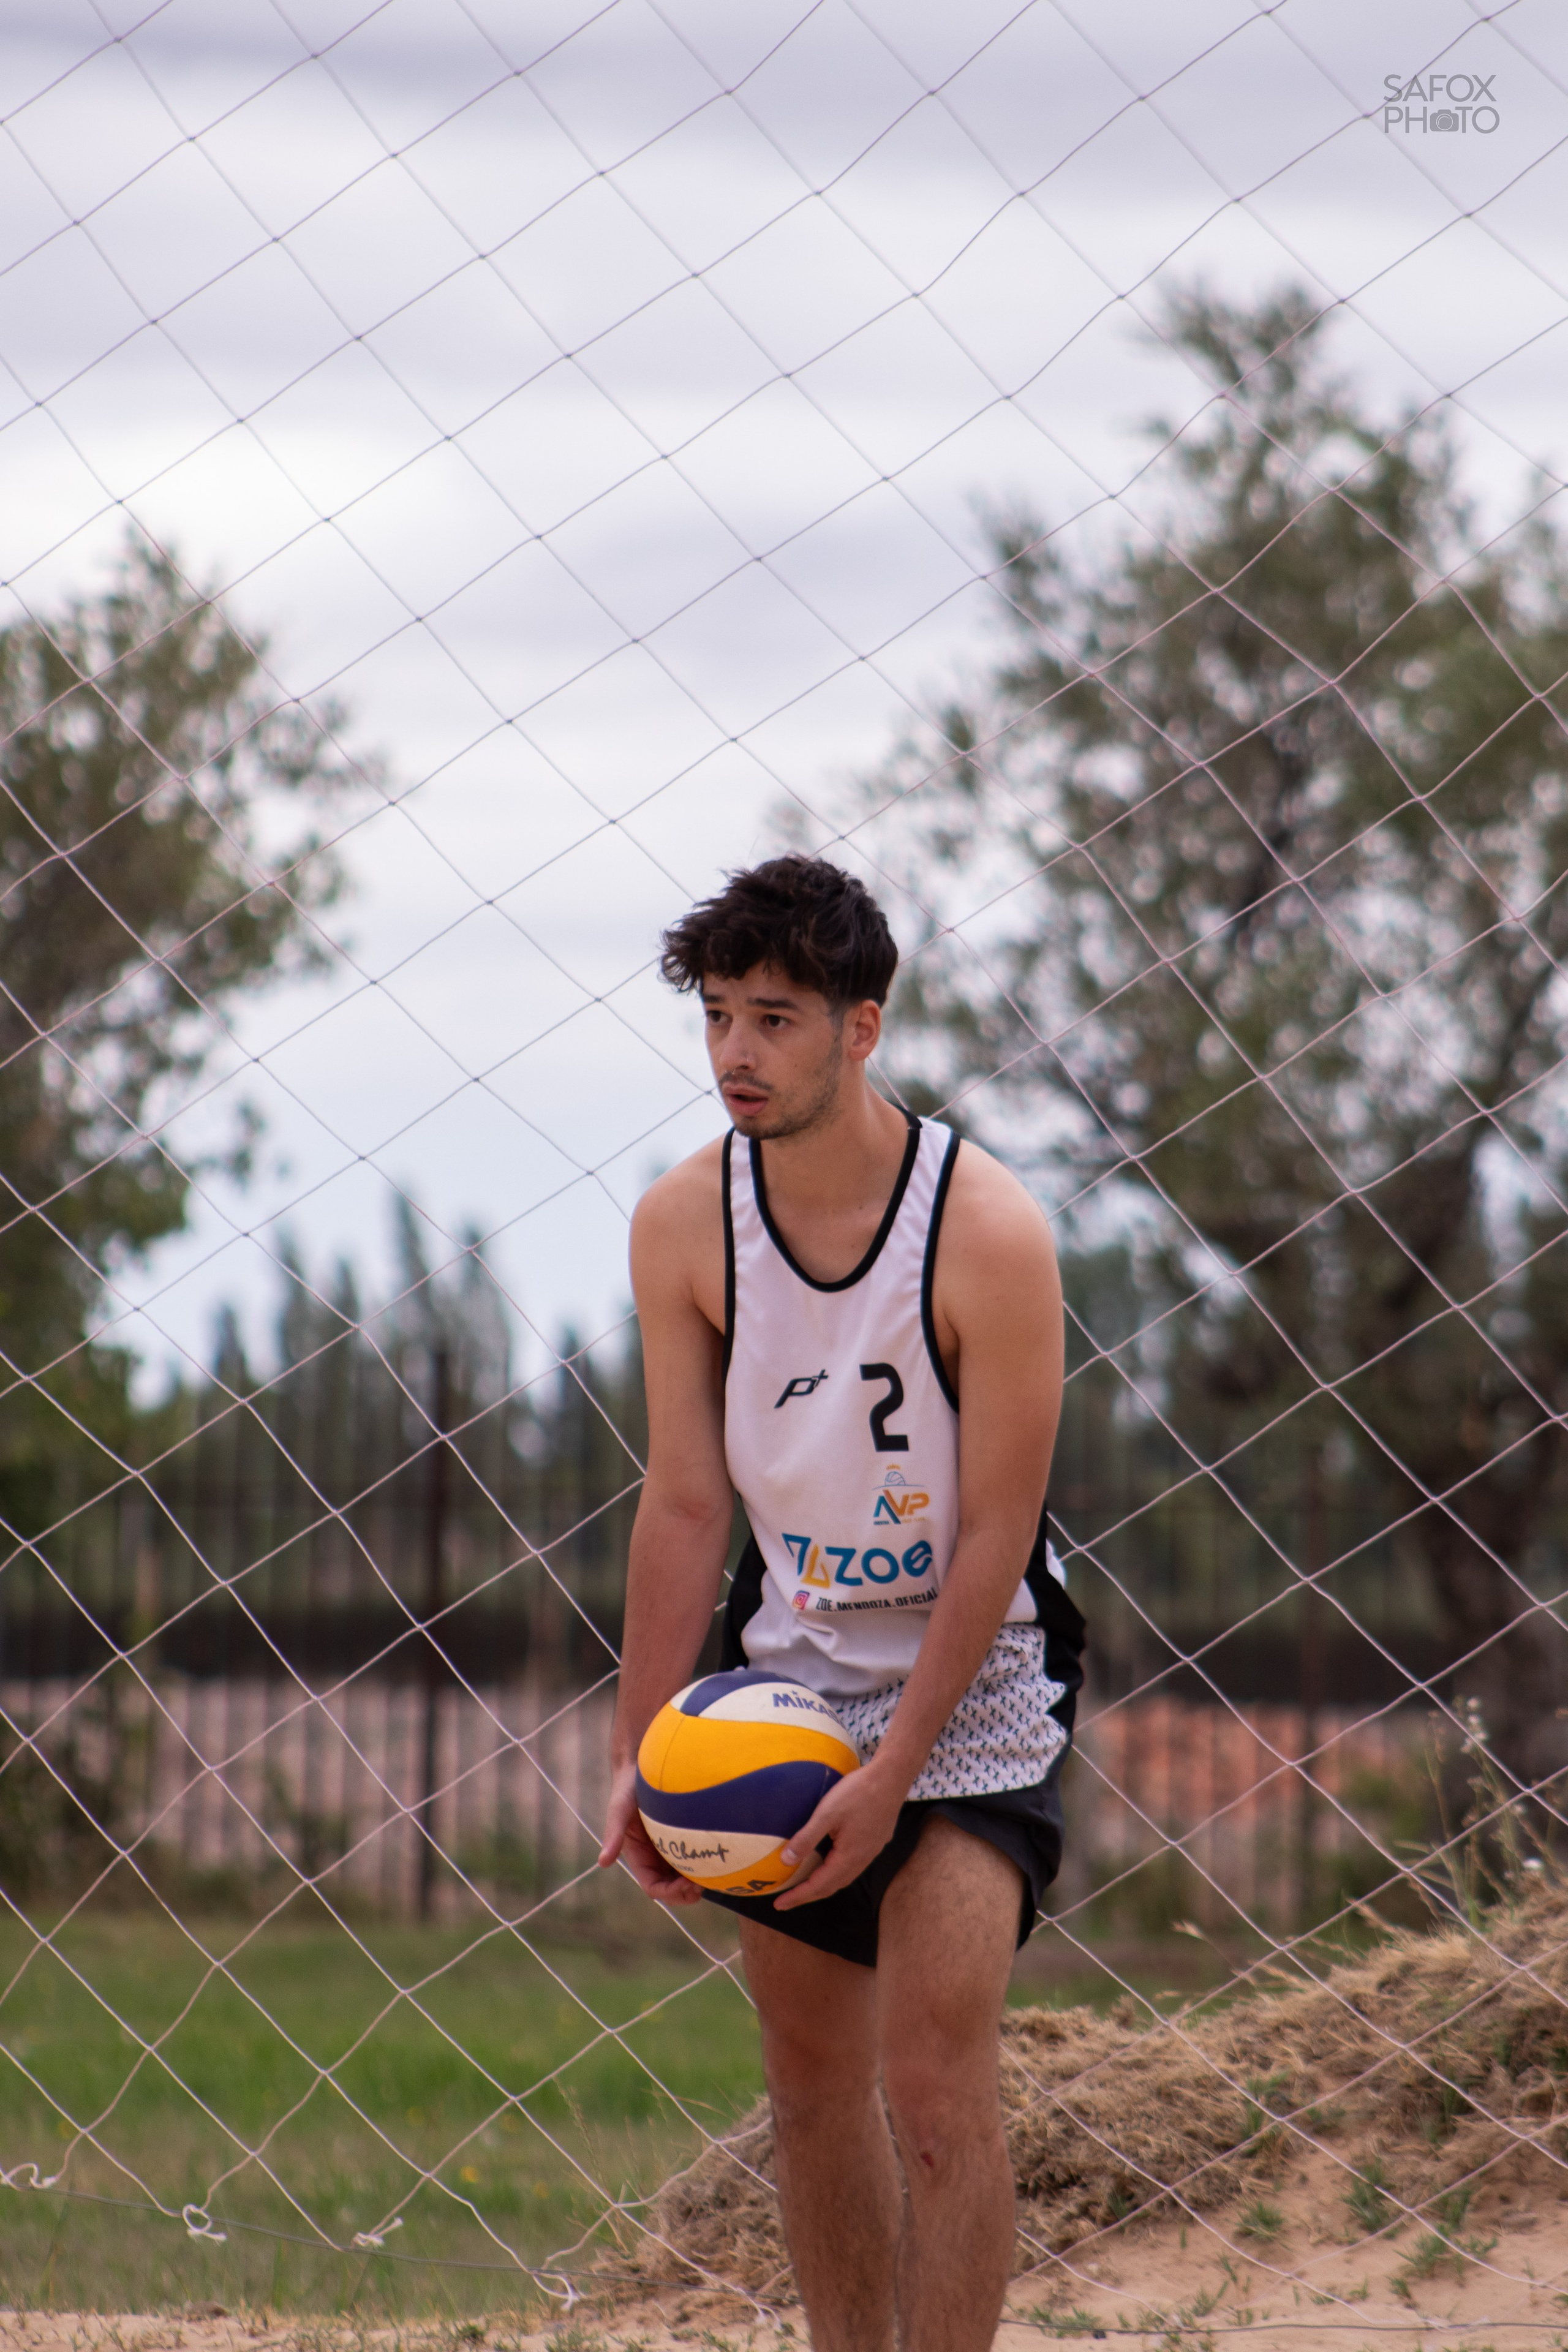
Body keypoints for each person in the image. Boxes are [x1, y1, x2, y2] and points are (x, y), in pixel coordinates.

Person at [598, 854, 1084, 2352]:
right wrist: (638, 1754)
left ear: (861, 1029)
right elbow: (685, 1500)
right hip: (792, 1678)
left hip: (975, 1668)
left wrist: (896, 1774)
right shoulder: (684, 1225)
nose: (737, 1053)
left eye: (777, 1019)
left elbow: (999, 1531)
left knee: (933, 2086)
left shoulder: (984, 1230)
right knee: (808, 2090)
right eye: (719, 1018)